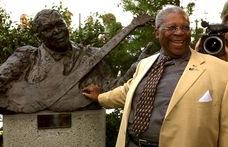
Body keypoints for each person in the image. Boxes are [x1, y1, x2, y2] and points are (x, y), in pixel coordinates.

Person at [83, 5, 228, 147]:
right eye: (172, 28)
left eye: (185, 27)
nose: (180, 32)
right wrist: (99, 97)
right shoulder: (144, 64)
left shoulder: (221, 70)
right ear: (157, 33)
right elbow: (127, 92)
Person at [0, 9, 115, 114]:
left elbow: (115, 90)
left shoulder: (93, 56)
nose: (57, 31)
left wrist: (133, 72)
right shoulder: (27, 57)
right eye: (47, 29)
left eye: (60, 24)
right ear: (38, 36)